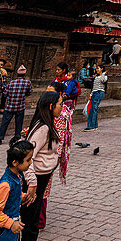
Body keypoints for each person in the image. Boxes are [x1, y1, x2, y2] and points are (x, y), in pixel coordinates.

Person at [14, 92, 62, 241]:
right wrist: (32, 185)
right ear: (50, 106)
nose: (61, 107)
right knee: (24, 223)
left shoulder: (47, 125)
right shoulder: (42, 129)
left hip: (40, 179)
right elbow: (27, 158)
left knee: (31, 222)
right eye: (59, 103)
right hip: (34, 180)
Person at [37, 85, 73, 231]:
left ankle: (39, 221)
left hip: (47, 157)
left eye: (50, 93)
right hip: (47, 156)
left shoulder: (59, 114)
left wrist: (55, 159)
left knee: (41, 189)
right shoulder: (49, 111)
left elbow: (57, 137)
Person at [0, 66, 32, 145]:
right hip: (20, 107)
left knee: (4, 123)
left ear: (17, 74)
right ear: (24, 74)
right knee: (19, 124)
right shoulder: (27, 83)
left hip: (9, 106)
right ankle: (17, 139)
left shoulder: (11, 83)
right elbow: (29, 93)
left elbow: (5, 94)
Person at [86, 64, 107, 131]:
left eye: (98, 68)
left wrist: (103, 74)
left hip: (99, 92)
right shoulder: (96, 77)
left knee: (93, 109)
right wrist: (91, 94)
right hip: (94, 92)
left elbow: (103, 80)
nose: (97, 70)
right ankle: (94, 125)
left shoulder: (104, 76)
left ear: (102, 69)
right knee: (94, 109)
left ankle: (91, 126)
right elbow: (94, 87)